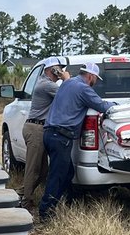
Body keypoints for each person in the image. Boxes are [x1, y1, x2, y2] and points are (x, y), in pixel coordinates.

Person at [38, 62, 118, 220]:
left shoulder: (68, 83)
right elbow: (102, 106)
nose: (95, 82)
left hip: (49, 134)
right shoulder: (84, 89)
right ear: (91, 76)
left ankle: (67, 203)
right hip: (61, 137)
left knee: (67, 173)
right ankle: (45, 213)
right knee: (57, 175)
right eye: (96, 79)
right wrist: (117, 106)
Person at [21, 60, 69, 214]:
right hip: (36, 129)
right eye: (59, 69)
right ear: (52, 70)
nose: (61, 71)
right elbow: (67, 94)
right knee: (32, 169)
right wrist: (66, 78)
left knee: (42, 171)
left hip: (37, 128)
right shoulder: (47, 85)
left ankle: (22, 193)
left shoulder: (44, 83)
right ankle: (25, 202)